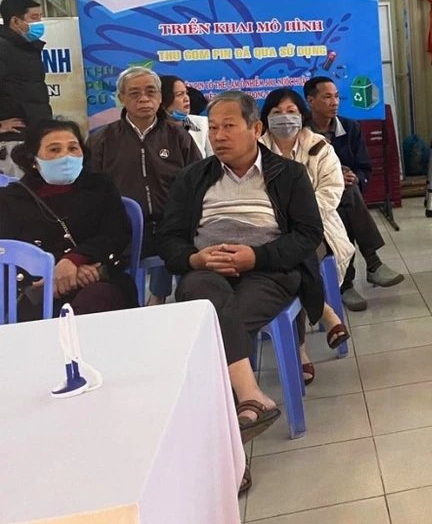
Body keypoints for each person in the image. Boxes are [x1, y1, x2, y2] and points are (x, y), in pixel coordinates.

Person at [157, 91, 324, 446]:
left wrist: (256, 257)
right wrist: (195, 259)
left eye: (229, 126)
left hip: (269, 272)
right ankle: (249, 399)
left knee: (213, 326)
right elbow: (169, 239)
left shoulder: (289, 174)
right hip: (206, 272)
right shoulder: (192, 177)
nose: (218, 136)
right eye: (213, 127)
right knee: (205, 296)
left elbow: (308, 235)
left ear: (256, 129)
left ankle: (225, 436)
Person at [260, 89, 353, 385]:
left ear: (302, 115)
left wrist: (300, 217)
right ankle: (324, 314)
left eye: (291, 111)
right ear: (265, 118)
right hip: (269, 231)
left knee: (296, 256)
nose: (284, 118)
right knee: (291, 258)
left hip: (317, 229)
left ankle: (299, 349)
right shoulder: (255, 151)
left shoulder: (320, 148)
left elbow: (332, 191)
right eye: (276, 112)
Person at [0, 119, 137, 320]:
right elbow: (8, 249)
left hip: (95, 278)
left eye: (73, 148)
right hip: (36, 287)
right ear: (33, 160)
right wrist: (51, 274)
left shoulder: (100, 186)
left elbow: (116, 234)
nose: (66, 156)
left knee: (97, 299)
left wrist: (74, 261)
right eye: (54, 150)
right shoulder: (12, 198)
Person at [88, 68, 202, 305]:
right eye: (134, 93)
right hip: (123, 231)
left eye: (150, 92)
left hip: (173, 227)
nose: (143, 99)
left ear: (160, 97)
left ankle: (171, 304)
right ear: (121, 98)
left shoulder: (178, 135)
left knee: (196, 272)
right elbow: (91, 190)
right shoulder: (102, 139)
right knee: (108, 279)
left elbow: (199, 180)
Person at [303, 76, 404, 313]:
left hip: (345, 196)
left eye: (337, 96)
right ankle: (371, 263)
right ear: (311, 101)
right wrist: (332, 178)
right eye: (327, 97)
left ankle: (346, 284)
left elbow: (364, 167)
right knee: (344, 198)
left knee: (346, 196)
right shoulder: (301, 133)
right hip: (313, 196)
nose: (334, 102)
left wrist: (355, 177)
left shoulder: (350, 127)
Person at [0, 0, 51, 178]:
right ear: (15, 21)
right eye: (34, 18)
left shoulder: (27, 48)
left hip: (33, 137)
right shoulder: (3, 48)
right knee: (17, 193)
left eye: (41, 17)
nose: (40, 23)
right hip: (12, 143)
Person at [159, 74, 212, 157]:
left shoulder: (203, 123)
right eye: (179, 94)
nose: (186, 98)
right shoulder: (154, 130)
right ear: (163, 102)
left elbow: (213, 159)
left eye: (186, 93)